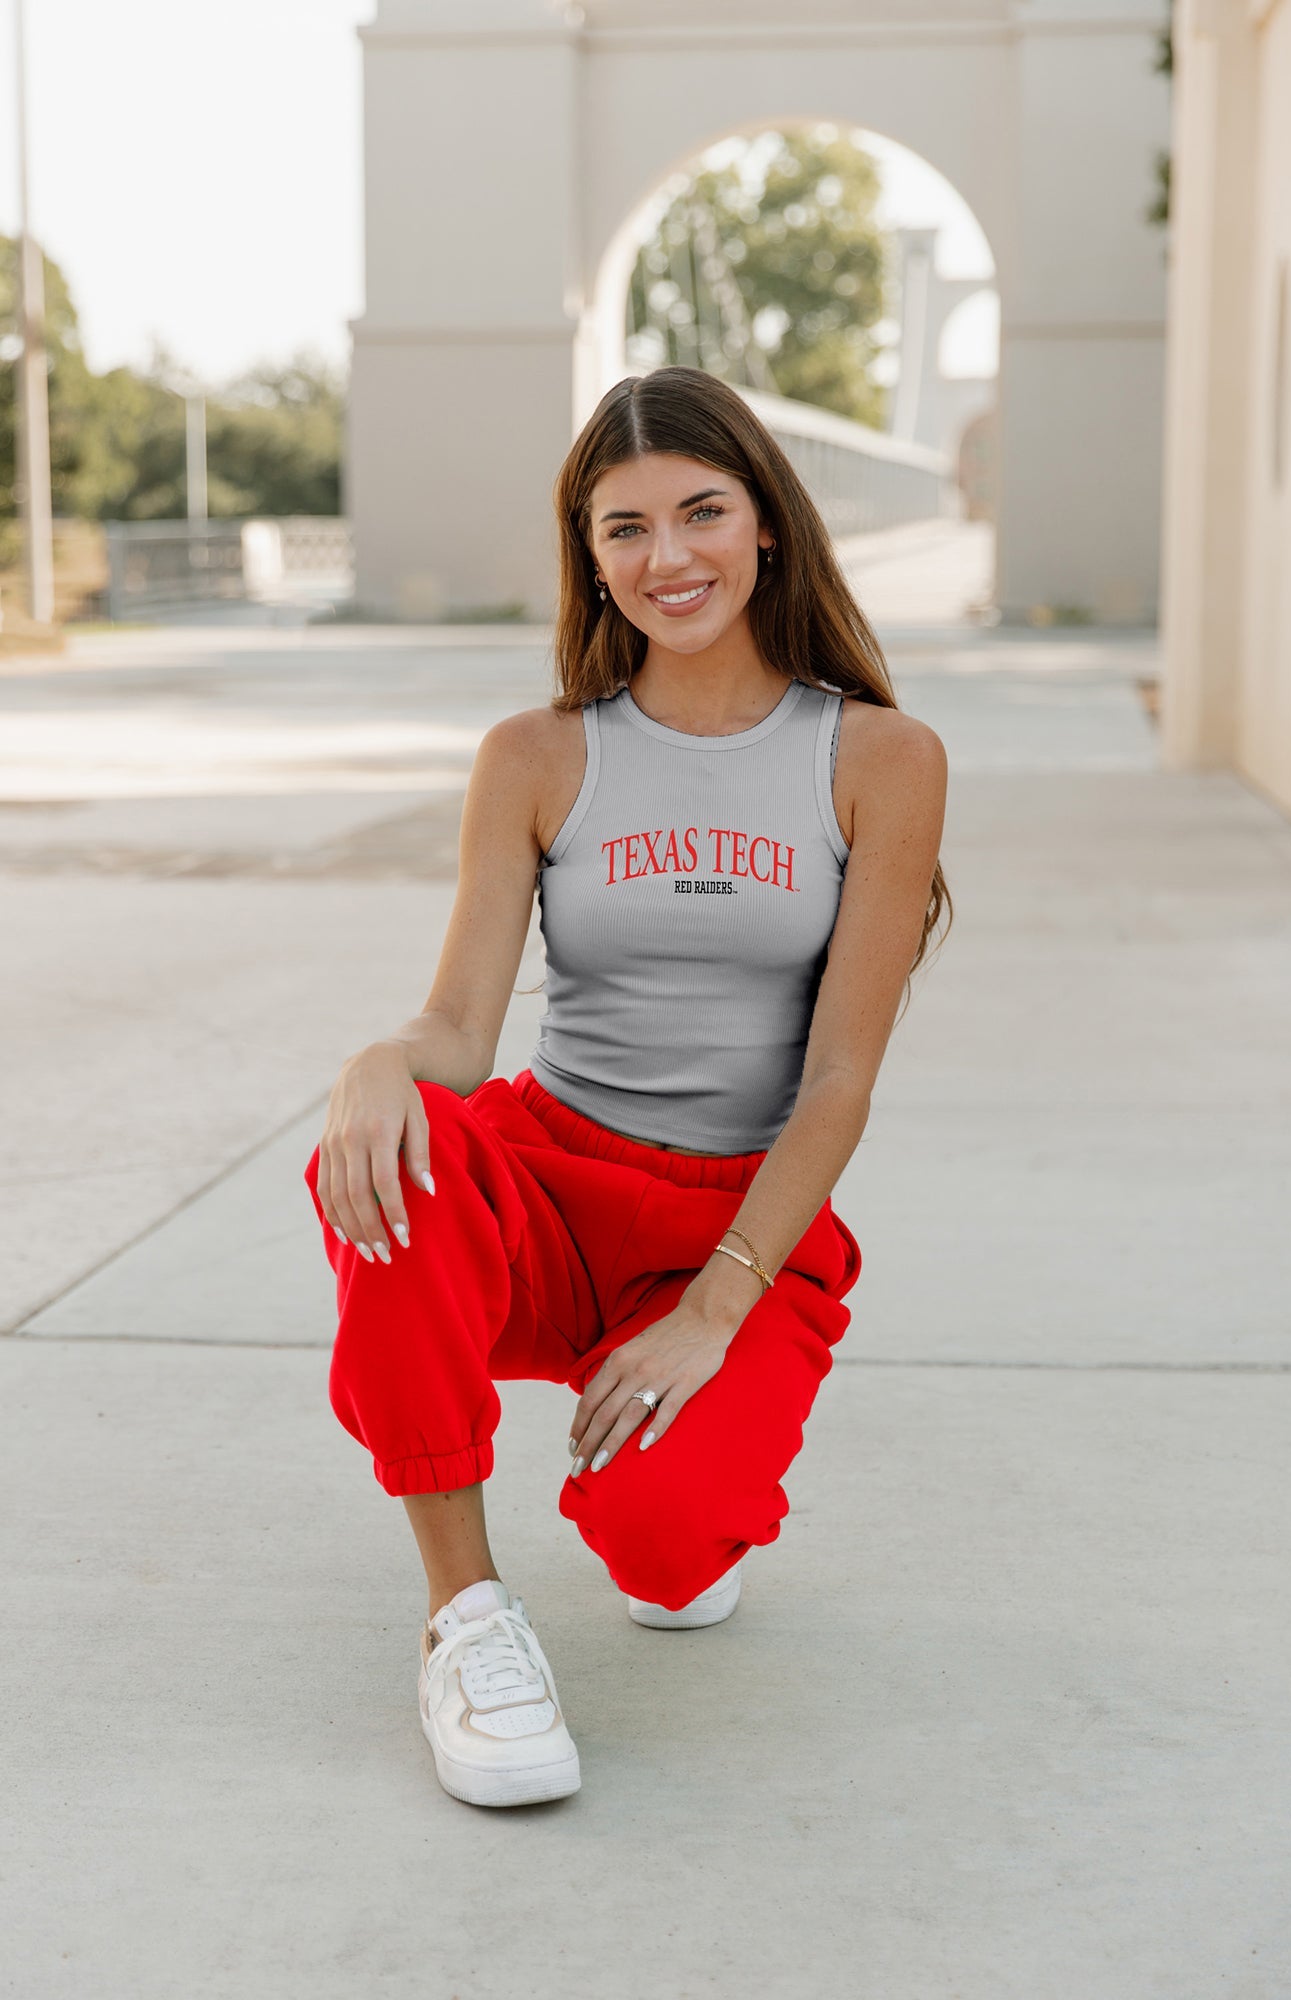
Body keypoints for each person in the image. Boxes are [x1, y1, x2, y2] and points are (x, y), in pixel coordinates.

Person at [302, 365, 951, 1809]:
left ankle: (681, 1510)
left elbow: (840, 1076)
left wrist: (715, 1308)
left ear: (766, 525)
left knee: (666, 1548)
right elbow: (460, 1027)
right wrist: (372, 1069)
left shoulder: (879, 759)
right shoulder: (536, 756)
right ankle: (464, 1619)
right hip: (547, 1177)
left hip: (734, 1223)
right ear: (587, 558)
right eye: (625, 529)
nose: (670, 559)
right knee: (381, 1162)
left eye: (702, 512)